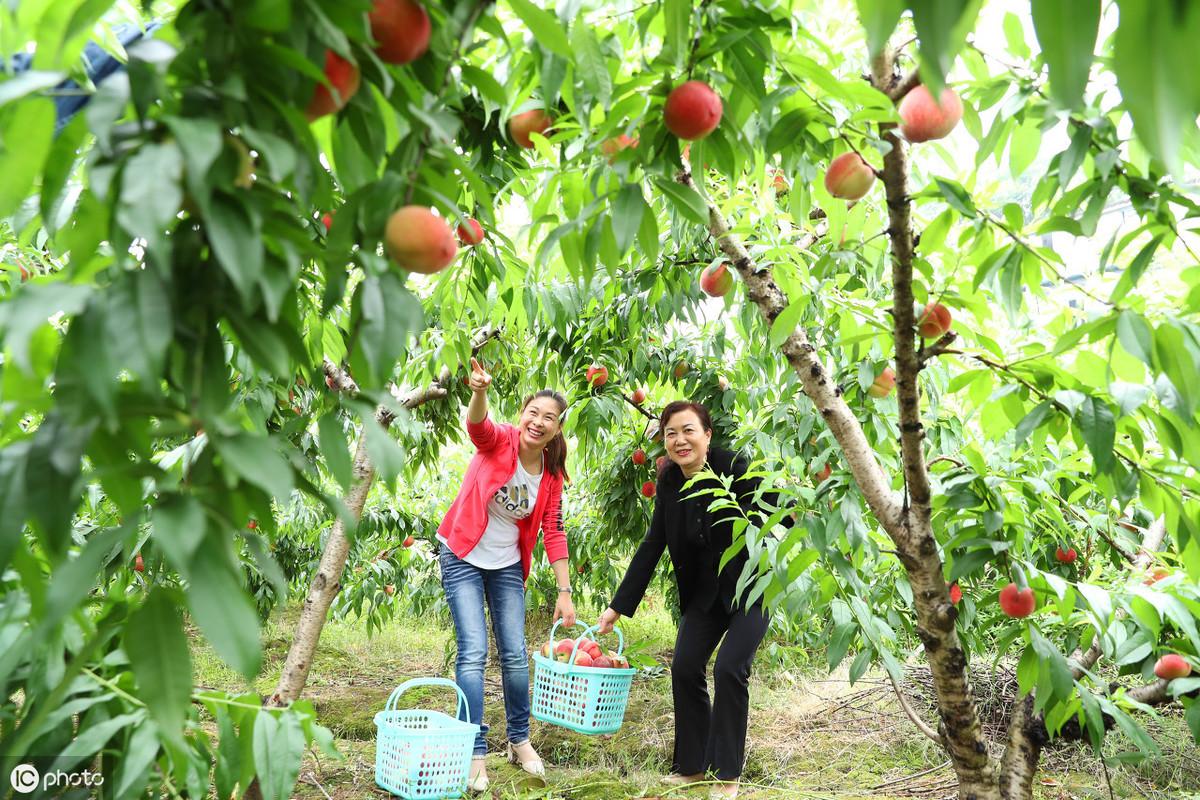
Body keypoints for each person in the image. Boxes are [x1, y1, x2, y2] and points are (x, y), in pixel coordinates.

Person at [598, 401, 778, 800]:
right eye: (670, 434)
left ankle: (726, 776)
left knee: (730, 668)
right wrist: (617, 605)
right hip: (703, 594)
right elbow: (653, 544)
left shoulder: (734, 465)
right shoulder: (668, 482)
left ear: (707, 435)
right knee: (683, 668)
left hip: (752, 587)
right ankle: (693, 767)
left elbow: (776, 505)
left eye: (688, 430)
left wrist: (806, 518)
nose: (680, 440)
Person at [437, 358, 576, 792]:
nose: (538, 422)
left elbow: (553, 530)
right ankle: (473, 749)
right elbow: (478, 428)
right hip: (461, 554)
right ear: (522, 416)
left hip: (506, 567)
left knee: (515, 654)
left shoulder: (550, 475)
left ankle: (519, 740)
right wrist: (479, 391)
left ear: (557, 428)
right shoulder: (500, 442)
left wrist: (565, 589)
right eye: (533, 413)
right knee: (473, 652)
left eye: (548, 418)